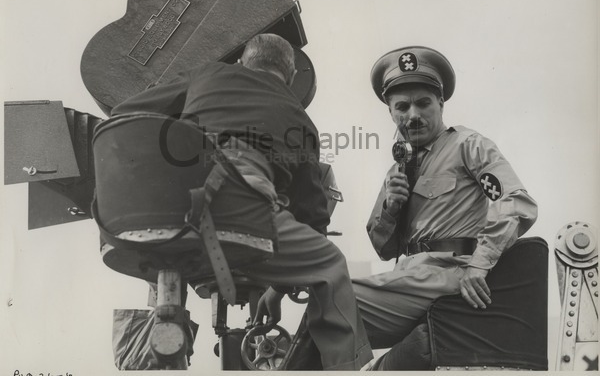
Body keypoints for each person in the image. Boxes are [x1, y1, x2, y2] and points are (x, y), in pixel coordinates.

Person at [111, 33, 373, 370]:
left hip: (172, 214)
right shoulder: (300, 119)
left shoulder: (205, 75)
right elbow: (312, 220)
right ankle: (347, 368)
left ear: (241, 63)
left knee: (166, 262)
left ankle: (152, 353)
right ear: (291, 78)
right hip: (243, 220)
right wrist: (278, 289)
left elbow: (126, 114)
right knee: (331, 266)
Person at [352, 46, 538, 370]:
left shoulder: (467, 145)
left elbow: (516, 202)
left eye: (423, 103)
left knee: (335, 298)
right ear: (391, 113)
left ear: (440, 102)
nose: (413, 115)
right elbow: (383, 249)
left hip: (448, 275)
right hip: (409, 280)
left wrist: (479, 265)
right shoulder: (398, 169)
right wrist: (392, 208)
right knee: (326, 317)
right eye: (402, 107)